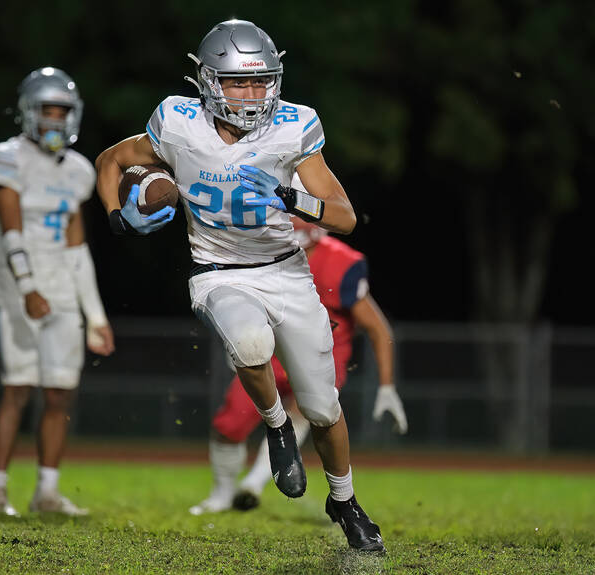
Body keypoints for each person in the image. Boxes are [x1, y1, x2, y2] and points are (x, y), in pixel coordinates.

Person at [97, 20, 385, 553]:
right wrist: (117, 216)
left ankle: (344, 501)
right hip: (218, 273)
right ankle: (276, 426)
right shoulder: (178, 123)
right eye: (238, 83)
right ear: (207, 82)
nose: (252, 95)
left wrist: (291, 197)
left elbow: (344, 218)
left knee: (323, 410)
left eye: (261, 82)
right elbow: (111, 160)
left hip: (286, 271)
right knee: (251, 345)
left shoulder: (294, 127)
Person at [189, 207, 407, 515]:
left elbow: (376, 326)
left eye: (299, 213)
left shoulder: (340, 262)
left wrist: (387, 385)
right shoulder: (258, 256)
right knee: (230, 424)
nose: (295, 221)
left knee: (304, 414)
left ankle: (253, 482)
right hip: (273, 355)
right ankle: (223, 494)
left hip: (321, 353)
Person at [0, 67, 114, 517]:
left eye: (62, 112)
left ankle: (47, 492)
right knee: (18, 388)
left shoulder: (77, 170)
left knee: (60, 393)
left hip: (62, 289)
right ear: (28, 113)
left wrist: (95, 316)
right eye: (47, 111)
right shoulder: (5, 158)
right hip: (20, 288)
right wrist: (29, 288)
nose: (55, 120)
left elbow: (77, 250)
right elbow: (10, 231)